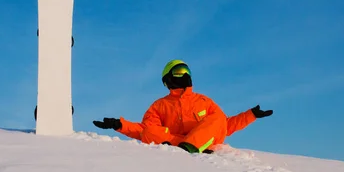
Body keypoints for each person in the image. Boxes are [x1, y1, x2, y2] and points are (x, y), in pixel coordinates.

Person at [93, 60, 273, 153]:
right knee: (149, 132)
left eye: (187, 71)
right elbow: (144, 131)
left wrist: (251, 115)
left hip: (206, 141)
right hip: (177, 142)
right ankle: (186, 147)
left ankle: (191, 146)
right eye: (180, 72)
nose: (185, 75)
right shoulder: (159, 105)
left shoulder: (203, 101)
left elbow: (223, 126)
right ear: (168, 79)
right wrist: (120, 125)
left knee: (217, 118)